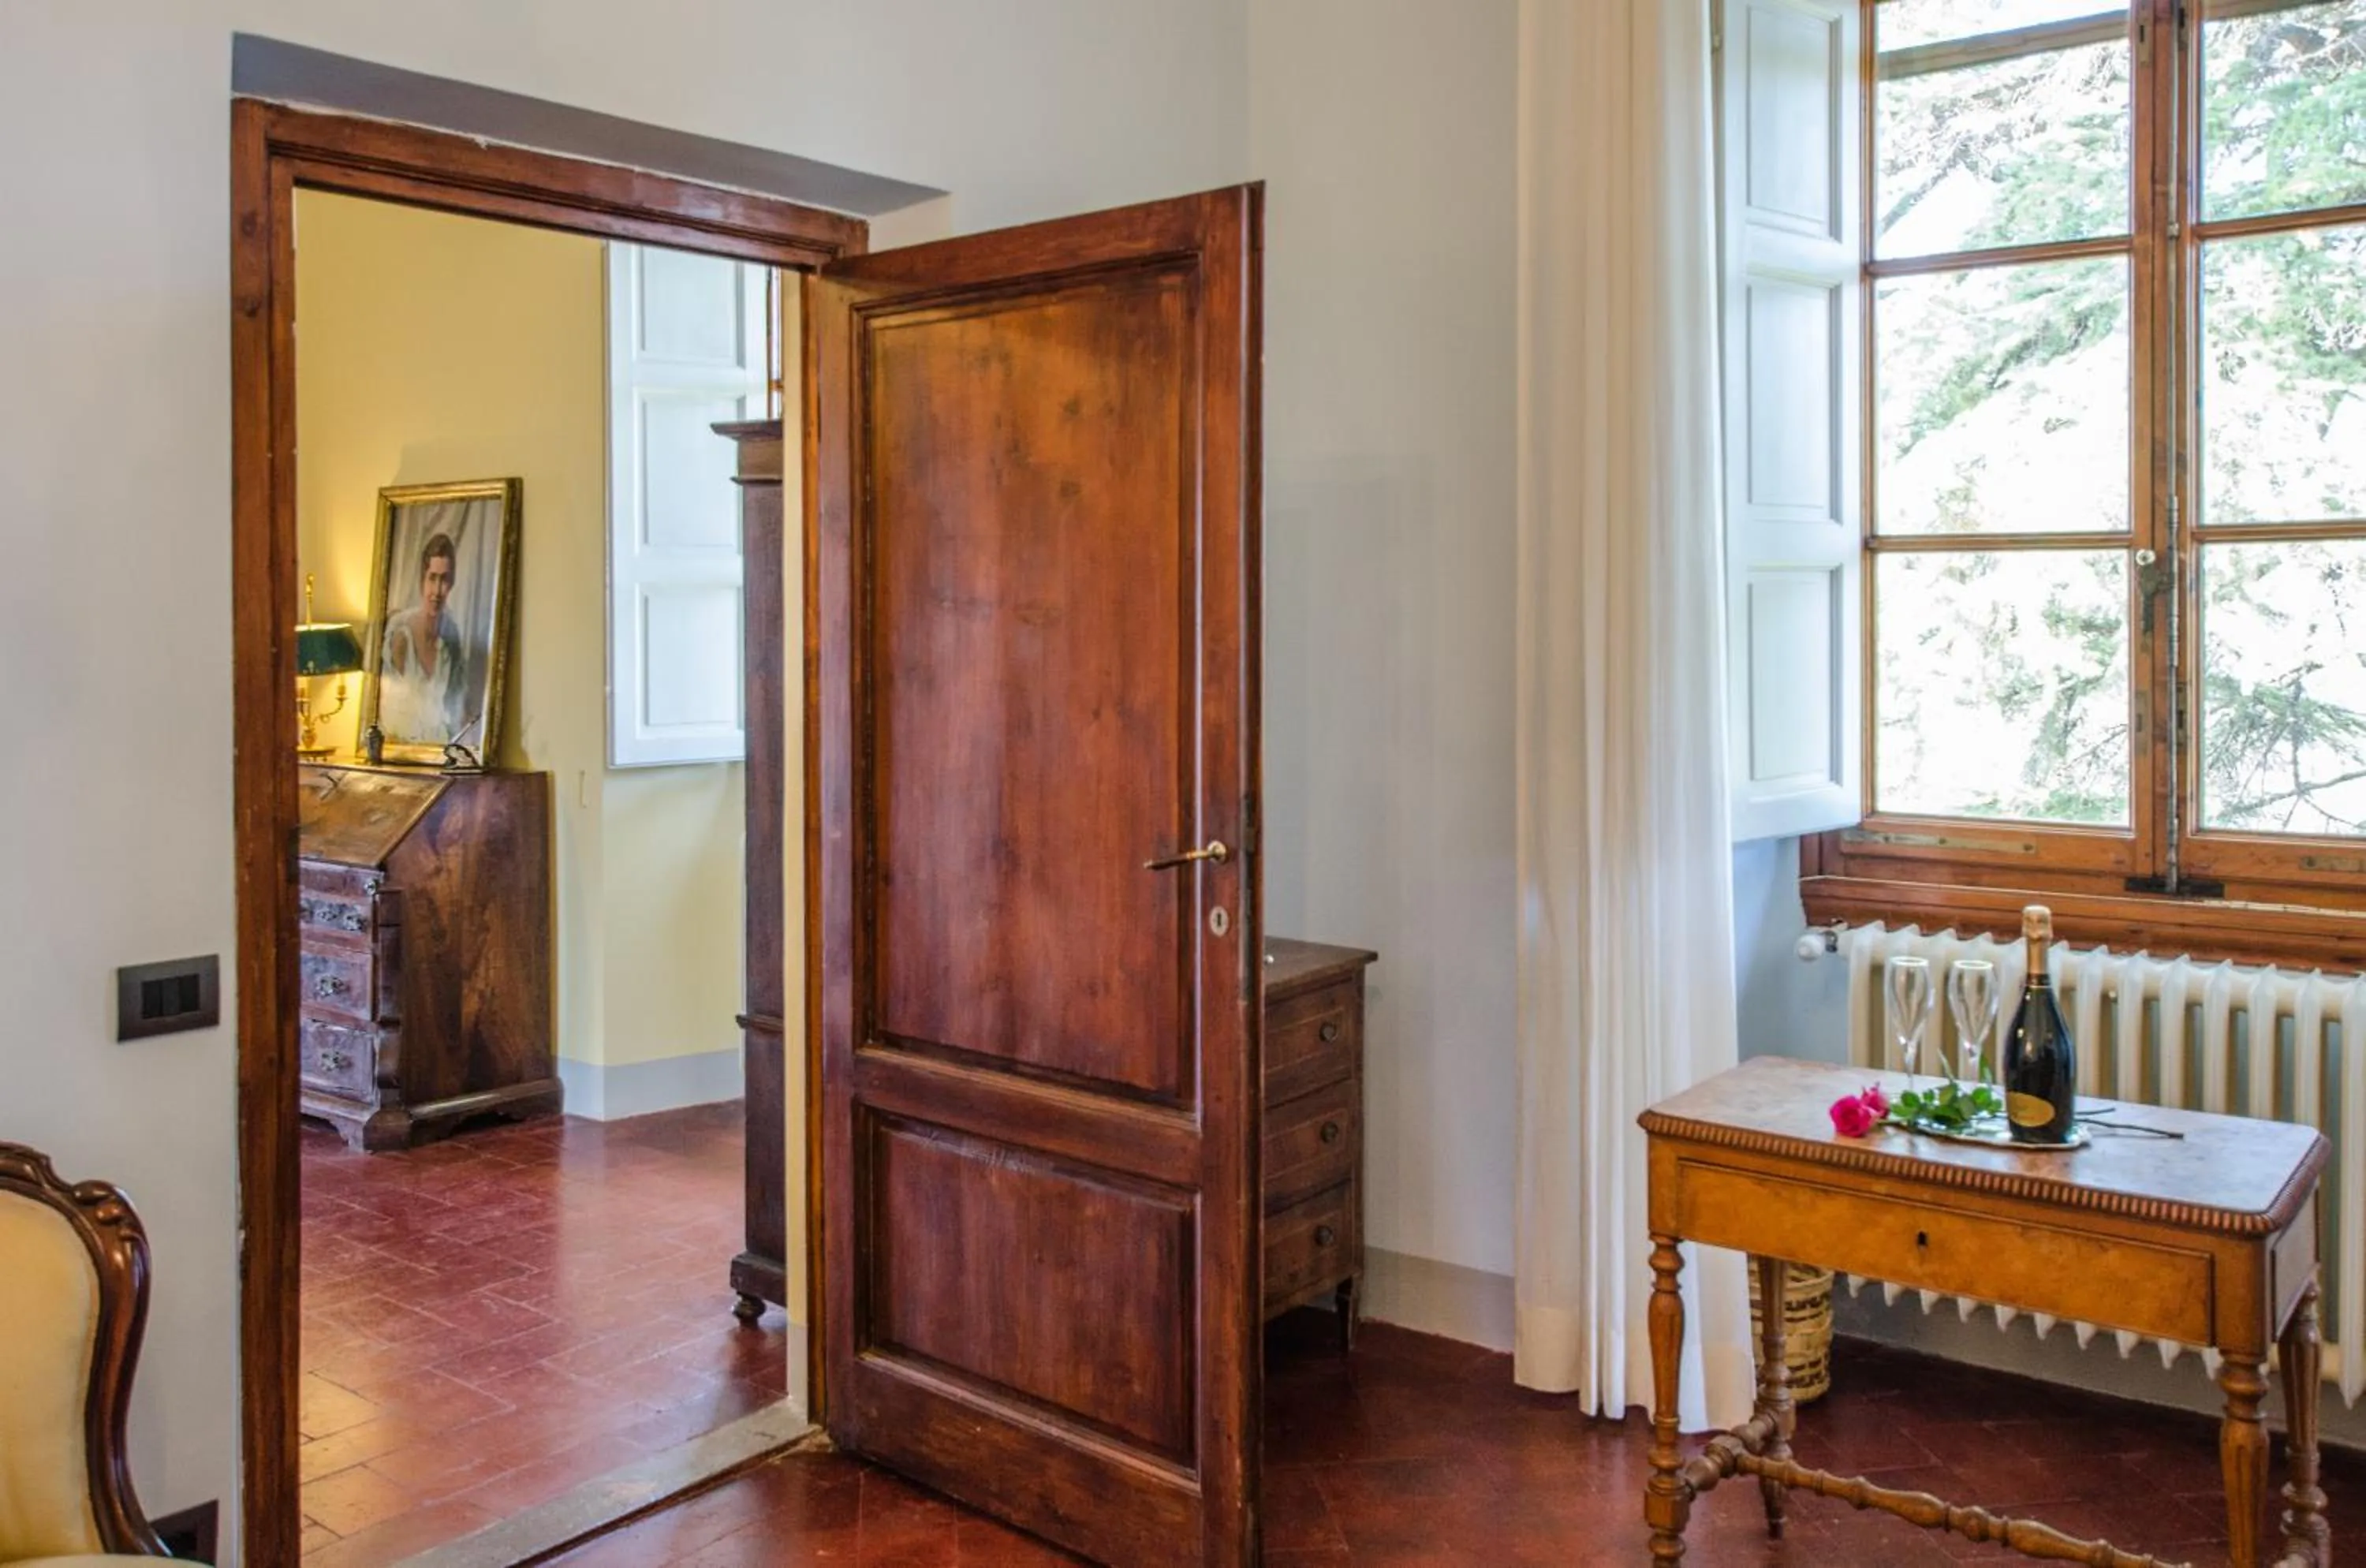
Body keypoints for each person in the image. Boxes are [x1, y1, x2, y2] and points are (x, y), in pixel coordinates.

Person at [377, 530, 470, 742]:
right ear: (422, 579)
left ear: (452, 584)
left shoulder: (451, 636)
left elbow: (458, 710)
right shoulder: (401, 635)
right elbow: (391, 717)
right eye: (432, 578)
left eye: (444, 580)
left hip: (439, 755)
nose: (437, 591)